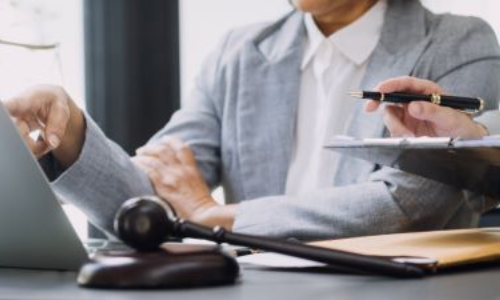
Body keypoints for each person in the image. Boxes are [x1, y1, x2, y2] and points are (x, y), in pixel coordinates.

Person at [5, 0, 500, 241]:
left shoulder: (459, 43)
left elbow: (404, 205)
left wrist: (214, 217)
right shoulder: (238, 53)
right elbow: (149, 197)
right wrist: (70, 132)